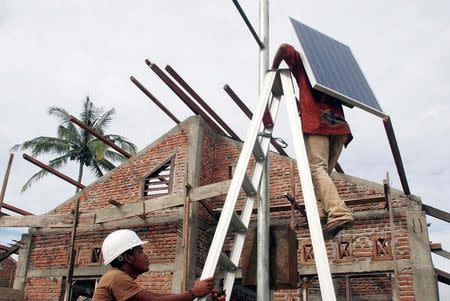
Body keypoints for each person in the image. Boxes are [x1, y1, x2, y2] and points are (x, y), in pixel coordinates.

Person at [272, 43, 354, 236]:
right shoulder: (334, 75)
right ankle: (321, 214)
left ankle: (339, 212)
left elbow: (285, 48)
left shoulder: (305, 63)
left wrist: (273, 69)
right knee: (320, 173)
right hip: (339, 128)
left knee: (315, 169)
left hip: (317, 123)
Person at [92, 229, 223, 301]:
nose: (146, 255)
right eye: (140, 251)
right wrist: (194, 292)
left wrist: (198, 293)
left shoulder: (118, 278)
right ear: (128, 258)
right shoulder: (116, 278)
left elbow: (157, 296)